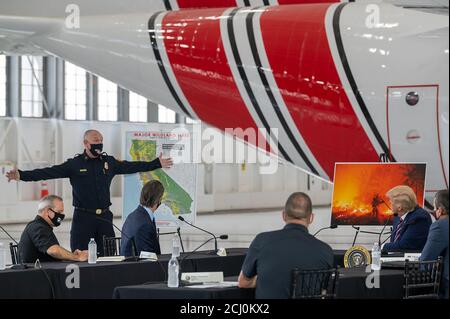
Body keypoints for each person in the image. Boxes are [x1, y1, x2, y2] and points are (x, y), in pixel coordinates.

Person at [5, 130, 173, 256]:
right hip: (83, 219)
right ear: (85, 143)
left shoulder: (109, 162)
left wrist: (156, 163)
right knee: (80, 255)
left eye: (101, 140)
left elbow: (132, 166)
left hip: (105, 218)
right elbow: (49, 172)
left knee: (109, 257)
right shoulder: (74, 164)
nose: (99, 143)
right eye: (95, 140)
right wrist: (21, 175)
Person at [238, 192, 334, 299]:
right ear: (311, 218)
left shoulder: (262, 241)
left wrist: (264, 278)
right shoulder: (325, 251)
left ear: (284, 215)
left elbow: (243, 282)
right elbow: (324, 291)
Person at [18, 195, 88, 263]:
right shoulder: (37, 227)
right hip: (38, 273)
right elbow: (53, 251)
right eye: (59, 212)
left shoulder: (41, 226)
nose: (62, 215)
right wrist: (77, 257)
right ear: (48, 211)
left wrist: (72, 256)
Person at [383, 185, 432, 252]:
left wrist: (382, 246)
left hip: (412, 260)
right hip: (395, 258)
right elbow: (394, 243)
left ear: (399, 207)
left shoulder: (420, 218)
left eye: (391, 202)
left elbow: (405, 245)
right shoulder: (398, 216)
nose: (389, 203)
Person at [121, 180, 164, 257]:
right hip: (138, 267)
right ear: (158, 200)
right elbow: (148, 258)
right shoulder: (144, 224)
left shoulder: (132, 216)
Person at [420, 190, 449, 298]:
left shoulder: (440, 226)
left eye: (434, 208)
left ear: (440, 211)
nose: (434, 211)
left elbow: (426, 261)